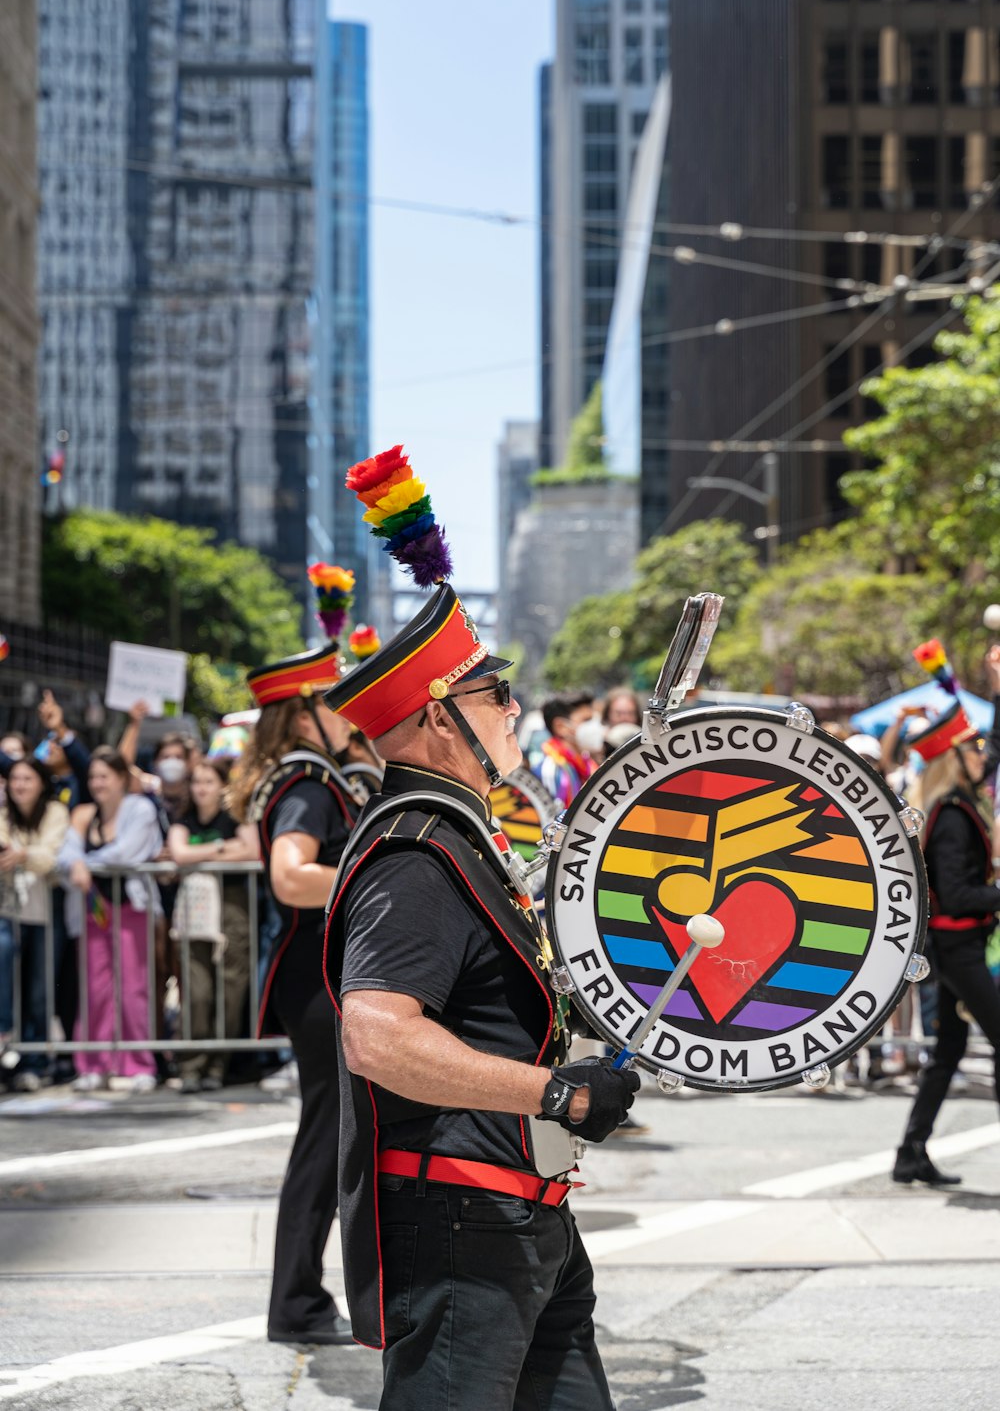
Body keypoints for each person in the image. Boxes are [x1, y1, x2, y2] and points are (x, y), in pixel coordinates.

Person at [324, 443, 639, 1406]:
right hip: (461, 1216)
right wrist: (552, 1093)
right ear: (433, 722)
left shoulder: (462, 838)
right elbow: (376, 1034)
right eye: (492, 694)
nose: (514, 709)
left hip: (520, 1207)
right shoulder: (418, 853)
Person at [228, 640, 358, 1346]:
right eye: (332, 700)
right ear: (304, 716)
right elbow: (290, 875)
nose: (345, 710)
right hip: (316, 979)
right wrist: (370, 877)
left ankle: (303, 1299)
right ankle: (297, 1304)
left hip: (318, 976)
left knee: (331, 1135)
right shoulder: (307, 784)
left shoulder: (317, 775)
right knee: (325, 1138)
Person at [893, 647, 1000, 1185]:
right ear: (952, 759)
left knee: (949, 1053)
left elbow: (996, 749)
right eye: (973, 748)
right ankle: (910, 1151)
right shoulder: (953, 817)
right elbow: (956, 895)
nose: (983, 755)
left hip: (958, 946)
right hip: (956, 946)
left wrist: (997, 690)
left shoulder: (955, 804)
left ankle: (910, 1152)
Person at [57, 747, 164, 1093]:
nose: (97, 783)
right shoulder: (85, 814)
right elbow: (65, 853)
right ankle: (93, 1064)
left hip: (131, 909)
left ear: (121, 778)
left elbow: (127, 853)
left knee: (133, 988)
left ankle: (138, 1064)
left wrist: (84, 864)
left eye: (105, 776)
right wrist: (76, 863)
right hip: (93, 910)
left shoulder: (141, 808)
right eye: (93, 777)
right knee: (95, 989)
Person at [167, 759, 256, 1093]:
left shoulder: (235, 817)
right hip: (194, 910)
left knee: (230, 990)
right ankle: (191, 1065)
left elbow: (252, 850)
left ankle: (217, 1065)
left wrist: (198, 853)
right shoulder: (184, 820)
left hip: (232, 905)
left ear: (222, 785)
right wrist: (223, 847)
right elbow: (178, 853)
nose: (201, 788)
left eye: (208, 781)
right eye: (196, 782)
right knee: (196, 991)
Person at [0, 758, 69, 1090]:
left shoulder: (56, 812)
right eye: (15, 778)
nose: (20, 785)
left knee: (40, 991)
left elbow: (50, 855)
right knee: (9, 983)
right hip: (9, 912)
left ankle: (36, 1060)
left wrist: (23, 854)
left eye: (27, 778)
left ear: (41, 782)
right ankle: (11, 1056)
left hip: (46, 912)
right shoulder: (2, 814)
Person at [534, 691, 597, 807]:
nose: (595, 727)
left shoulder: (587, 765)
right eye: (586, 720)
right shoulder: (551, 772)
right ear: (561, 727)